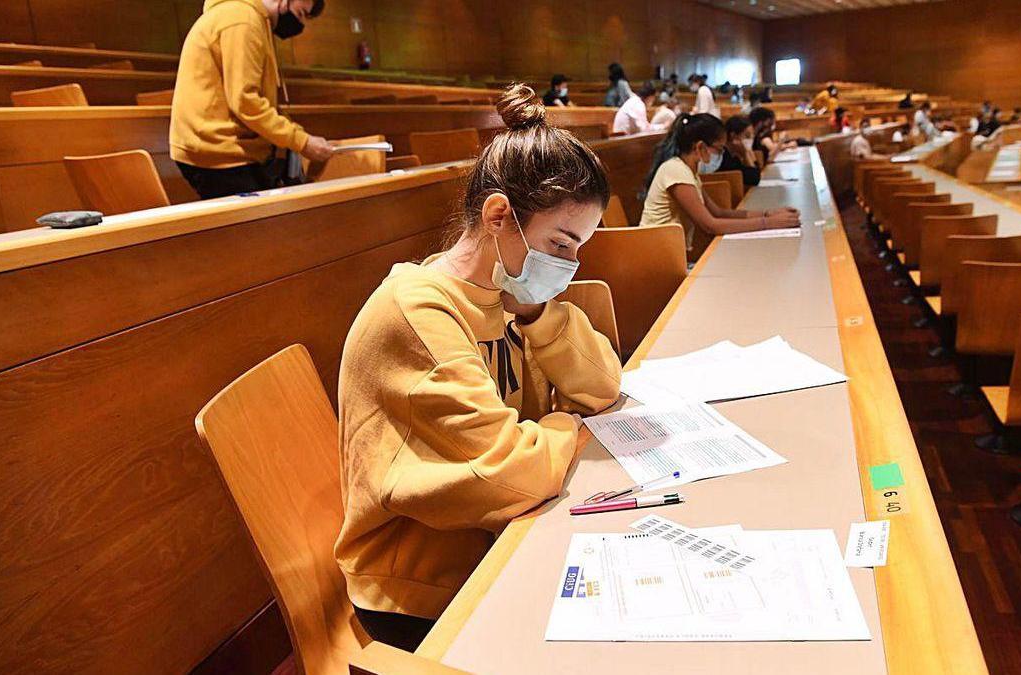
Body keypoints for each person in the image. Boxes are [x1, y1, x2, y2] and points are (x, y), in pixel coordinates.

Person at [336, 83, 621, 652]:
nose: (569, 265)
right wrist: (569, 426)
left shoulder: (512, 296)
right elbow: (509, 473)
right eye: (561, 244)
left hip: (500, 540)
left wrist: (540, 314)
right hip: (420, 587)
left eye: (578, 248)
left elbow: (605, 386)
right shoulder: (417, 310)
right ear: (499, 216)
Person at [170, 0, 334, 199]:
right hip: (216, 149)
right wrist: (303, 142)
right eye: (299, 13)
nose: (300, 24)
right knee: (262, 226)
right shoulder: (243, 21)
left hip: (221, 146)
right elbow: (246, 102)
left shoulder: (251, 18)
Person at [639, 113, 800, 256]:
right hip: (655, 256)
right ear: (700, 147)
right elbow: (710, 225)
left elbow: (719, 212)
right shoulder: (675, 170)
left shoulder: (688, 171)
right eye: (719, 149)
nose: (721, 155)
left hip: (668, 253)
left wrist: (768, 214)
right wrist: (768, 224)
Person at [720, 115, 761, 186]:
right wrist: (745, 154)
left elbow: (757, 170)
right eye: (747, 136)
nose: (751, 139)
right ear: (733, 136)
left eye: (752, 136)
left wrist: (749, 152)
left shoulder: (735, 155)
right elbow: (754, 179)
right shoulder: (724, 156)